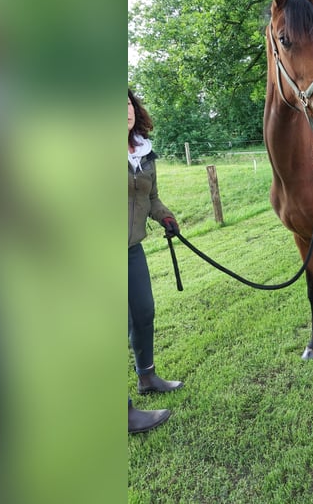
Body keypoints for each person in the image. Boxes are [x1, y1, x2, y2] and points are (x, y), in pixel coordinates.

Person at [128, 89, 182, 432]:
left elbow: (152, 197)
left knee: (144, 312)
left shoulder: (144, 151)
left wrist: (164, 216)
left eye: (127, 106)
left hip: (131, 249)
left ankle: (147, 376)